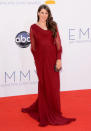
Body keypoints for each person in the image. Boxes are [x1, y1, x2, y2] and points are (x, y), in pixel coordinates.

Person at [21, 4, 76, 127]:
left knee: (54, 87)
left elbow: (58, 45)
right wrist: (38, 62)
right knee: (44, 86)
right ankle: (44, 113)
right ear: (38, 13)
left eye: (46, 13)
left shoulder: (53, 25)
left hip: (53, 61)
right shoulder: (33, 28)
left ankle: (54, 111)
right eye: (42, 12)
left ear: (48, 14)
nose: (44, 15)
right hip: (41, 62)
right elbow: (33, 48)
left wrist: (58, 59)